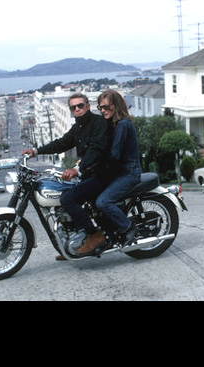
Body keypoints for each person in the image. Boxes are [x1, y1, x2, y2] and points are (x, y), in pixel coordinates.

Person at [22, 93, 110, 257]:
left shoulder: (99, 123)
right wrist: (36, 151)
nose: (77, 109)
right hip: (88, 175)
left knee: (68, 199)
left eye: (80, 106)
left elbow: (96, 149)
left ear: (88, 106)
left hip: (102, 174)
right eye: (73, 107)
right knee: (63, 195)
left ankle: (94, 235)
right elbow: (61, 144)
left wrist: (77, 169)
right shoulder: (78, 127)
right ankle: (74, 244)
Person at [95, 89, 141, 247]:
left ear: (115, 105)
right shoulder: (113, 125)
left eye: (106, 107)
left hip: (129, 173)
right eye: (100, 107)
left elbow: (114, 155)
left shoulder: (123, 125)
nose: (103, 110)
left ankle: (128, 228)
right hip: (120, 172)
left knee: (103, 202)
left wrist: (94, 165)